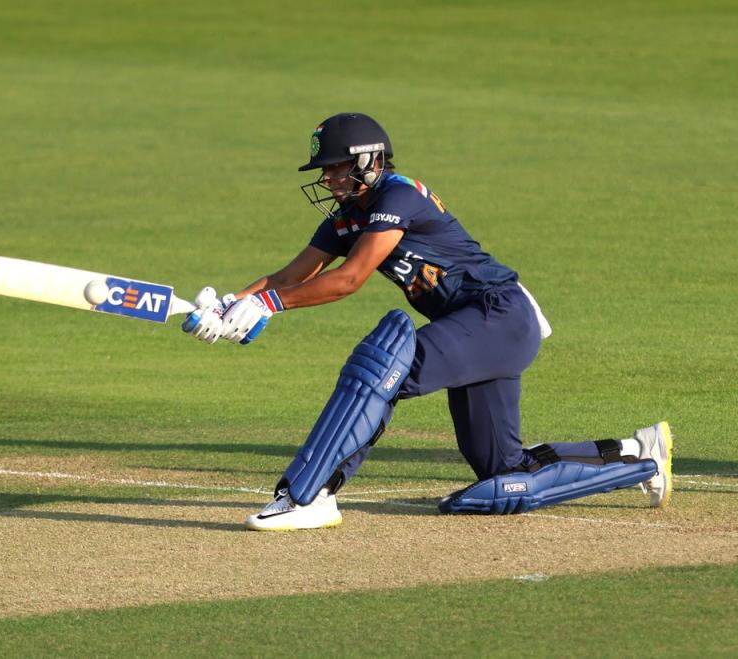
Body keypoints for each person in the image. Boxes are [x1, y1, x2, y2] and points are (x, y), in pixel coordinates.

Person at [183, 112, 673, 531]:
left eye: (334, 169)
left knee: (383, 370)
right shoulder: (346, 216)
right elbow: (290, 275)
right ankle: (639, 454)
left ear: (368, 161)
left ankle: (313, 495)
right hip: (480, 327)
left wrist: (268, 306)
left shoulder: (398, 198)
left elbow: (349, 279)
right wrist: (230, 304)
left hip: (496, 316)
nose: (327, 179)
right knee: (503, 472)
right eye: (324, 171)